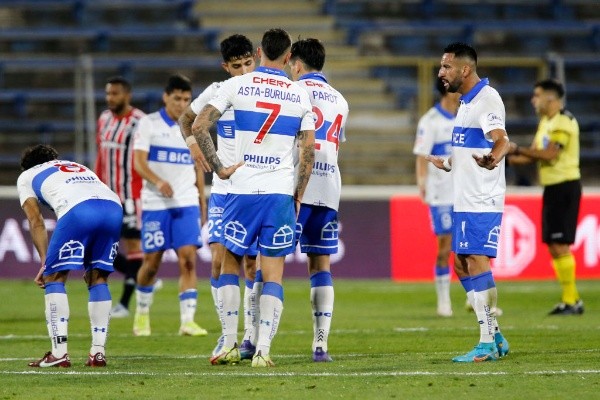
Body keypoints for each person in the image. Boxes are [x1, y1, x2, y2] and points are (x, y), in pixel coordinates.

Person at [187, 28, 315, 367]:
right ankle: (263, 351)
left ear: (259, 53)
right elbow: (308, 151)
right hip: (279, 193)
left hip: (240, 190)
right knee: (272, 273)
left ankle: (230, 343)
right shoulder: (300, 94)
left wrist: (219, 168)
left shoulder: (235, 85)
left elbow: (197, 126)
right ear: (289, 57)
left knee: (229, 263)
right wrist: (298, 194)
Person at [179, 34, 259, 359]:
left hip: (255, 188)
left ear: (256, 58)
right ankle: (227, 337)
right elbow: (187, 120)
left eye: (248, 63)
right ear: (226, 67)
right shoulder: (217, 92)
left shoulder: (266, 93)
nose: (244, 71)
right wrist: (194, 146)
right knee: (217, 261)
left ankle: (250, 336)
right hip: (225, 190)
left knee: (252, 264)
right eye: (237, 66)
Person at [429, 42, 510, 362]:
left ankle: (487, 342)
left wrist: (493, 158)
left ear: (465, 69)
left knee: (476, 261)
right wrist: (449, 162)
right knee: (461, 264)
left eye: (446, 66)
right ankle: (496, 334)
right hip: (464, 198)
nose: (441, 72)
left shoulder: (487, 99)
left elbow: (502, 139)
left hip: (481, 198)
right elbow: (468, 146)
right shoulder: (465, 103)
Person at [17, 144, 122, 368]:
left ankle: (59, 353)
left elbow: (36, 221)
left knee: (54, 277)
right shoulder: (76, 166)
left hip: (78, 209)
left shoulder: (27, 176)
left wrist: (45, 263)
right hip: (113, 207)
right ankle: (98, 353)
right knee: (98, 277)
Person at [132, 74, 208, 337]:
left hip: (186, 202)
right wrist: (158, 181)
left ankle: (187, 321)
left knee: (188, 261)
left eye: (186, 99)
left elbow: (198, 167)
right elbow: (139, 162)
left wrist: (202, 204)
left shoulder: (192, 127)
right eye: (177, 98)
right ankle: (142, 313)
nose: (182, 104)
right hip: (156, 203)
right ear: (166, 97)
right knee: (151, 264)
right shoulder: (148, 124)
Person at [288, 38, 349, 362]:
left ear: (297, 64)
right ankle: (321, 345)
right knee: (320, 264)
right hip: (329, 189)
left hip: (295, 187)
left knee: (268, 261)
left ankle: (255, 340)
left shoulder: (293, 91)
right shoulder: (341, 100)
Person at [507, 79, 583, 315]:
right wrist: (503, 159)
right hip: (552, 188)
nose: (533, 100)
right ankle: (571, 300)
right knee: (553, 245)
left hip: (565, 186)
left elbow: (549, 154)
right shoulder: (546, 122)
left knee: (560, 244)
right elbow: (533, 154)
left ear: (551, 98)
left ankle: (572, 301)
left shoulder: (564, 121)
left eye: (537, 95)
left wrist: (516, 149)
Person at [95, 76, 147, 318]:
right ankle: (141, 274)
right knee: (99, 246)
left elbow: (147, 158)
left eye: (115, 93)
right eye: (108, 93)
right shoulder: (104, 119)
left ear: (127, 95)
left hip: (132, 196)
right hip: (108, 195)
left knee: (133, 245)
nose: (110, 98)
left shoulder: (140, 122)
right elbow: (100, 155)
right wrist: (95, 185)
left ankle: (124, 304)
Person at [413, 77, 460, 318]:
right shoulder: (430, 120)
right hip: (441, 193)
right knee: (444, 247)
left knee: (469, 249)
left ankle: (476, 298)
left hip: (464, 192)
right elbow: (422, 156)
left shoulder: (466, 117)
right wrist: (422, 183)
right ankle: (444, 300)